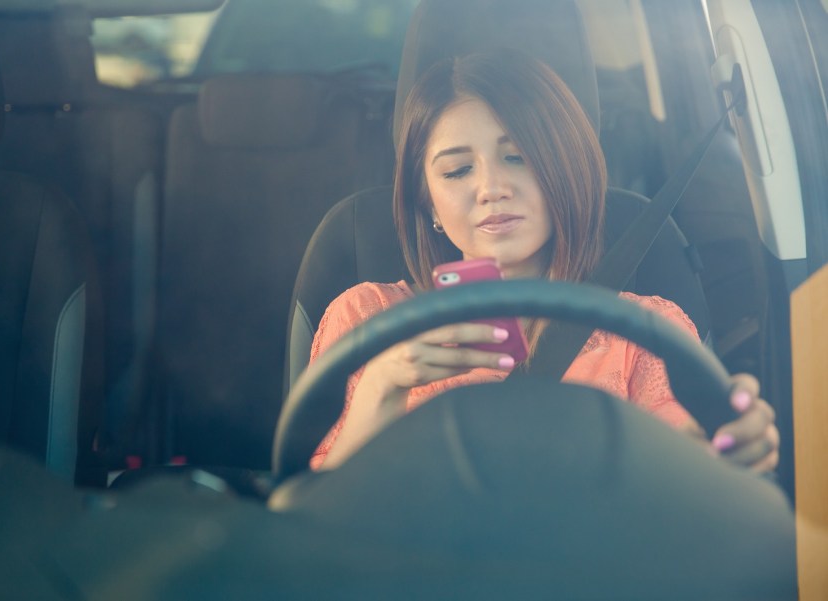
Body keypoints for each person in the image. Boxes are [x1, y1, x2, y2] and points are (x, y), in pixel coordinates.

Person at [309, 51, 779, 474]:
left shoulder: (646, 331)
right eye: (457, 170)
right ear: (428, 201)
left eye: (518, 158)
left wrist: (721, 453)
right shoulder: (366, 320)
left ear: (566, 170)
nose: (491, 187)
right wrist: (381, 385)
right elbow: (308, 529)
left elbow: (683, 467)